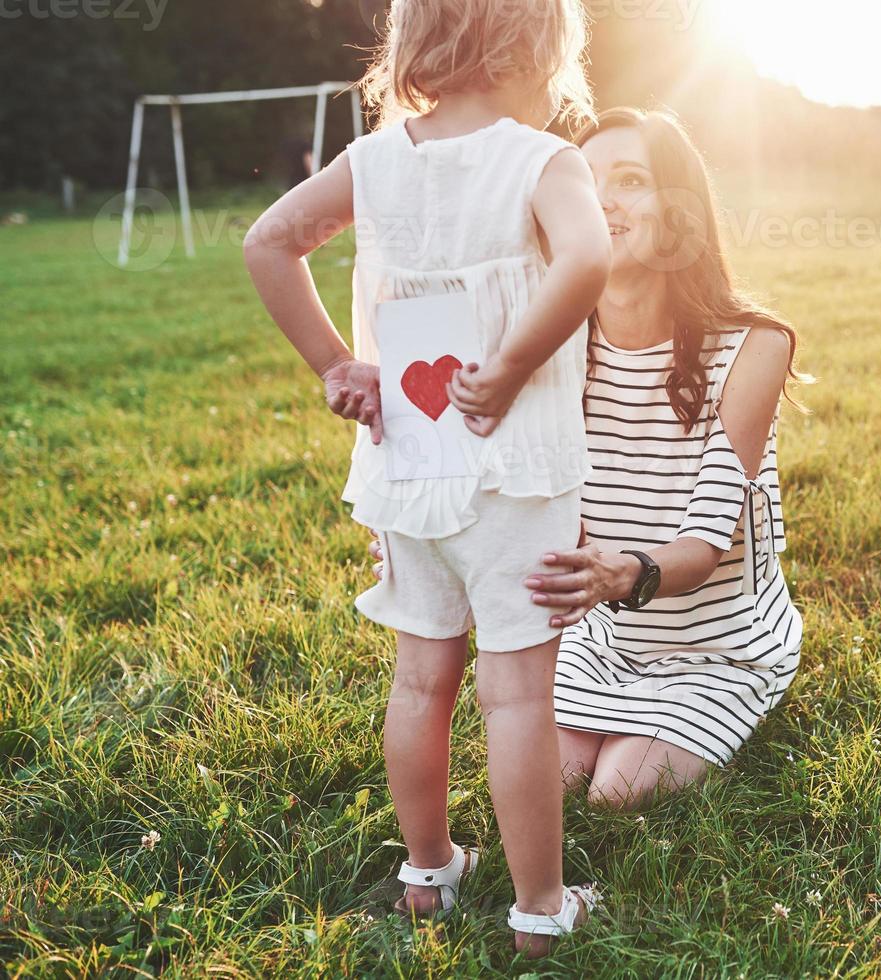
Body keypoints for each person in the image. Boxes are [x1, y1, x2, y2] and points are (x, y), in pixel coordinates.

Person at [242, 0, 610, 956]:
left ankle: (428, 872)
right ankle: (539, 908)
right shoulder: (541, 160)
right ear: (540, 46)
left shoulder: (373, 162)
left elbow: (267, 242)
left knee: (420, 676)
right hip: (515, 476)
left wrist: (336, 363)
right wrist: (520, 361)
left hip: (407, 465)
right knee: (520, 693)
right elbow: (589, 259)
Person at [373, 108, 806, 810]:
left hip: (719, 647)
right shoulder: (547, 347)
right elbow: (486, 473)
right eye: (582, 182)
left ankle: (741, 688)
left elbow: (704, 543)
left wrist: (621, 572)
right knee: (553, 777)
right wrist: (420, 540)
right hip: (603, 637)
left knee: (616, 793)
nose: (602, 201)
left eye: (631, 181)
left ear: (681, 212)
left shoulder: (753, 347)